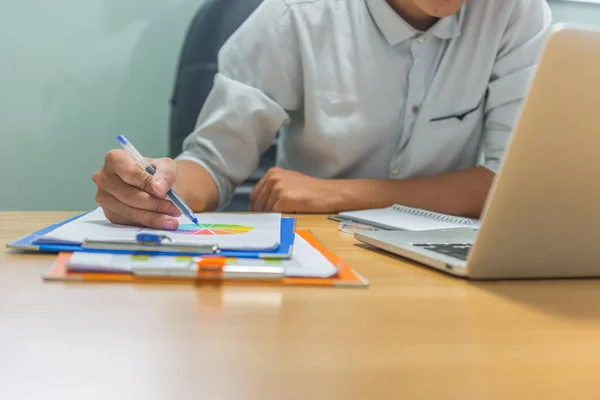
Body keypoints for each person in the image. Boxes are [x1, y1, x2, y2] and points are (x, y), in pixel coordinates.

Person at [93, 0, 552, 231]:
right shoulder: (296, 14)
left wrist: (339, 194)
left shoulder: (516, 13)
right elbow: (213, 165)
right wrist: (155, 185)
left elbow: (509, 184)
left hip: (444, 256)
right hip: (320, 249)